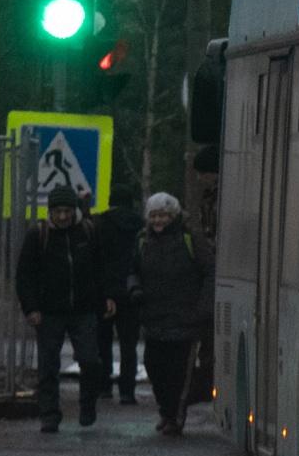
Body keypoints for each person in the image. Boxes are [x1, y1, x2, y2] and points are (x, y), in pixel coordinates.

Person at [13, 185, 115, 434]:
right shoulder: (38, 235)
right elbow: (25, 275)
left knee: (90, 360)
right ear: (50, 211)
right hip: (49, 311)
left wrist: (108, 297)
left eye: (67, 211)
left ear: (74, 210)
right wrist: (31, 308)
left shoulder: (88, 231)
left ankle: (87, 404)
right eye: (58, 211)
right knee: (48, 365)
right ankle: (49, 415)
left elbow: (101, 267)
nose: (62, 217)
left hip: (84, 308)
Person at [129, 192, 213, 436]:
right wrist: (134, 289)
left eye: (163, 216)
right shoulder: (142, 240)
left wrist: (203, 308)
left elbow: (209, 272)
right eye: (154, 216)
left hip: (186, 320)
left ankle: (175, 416)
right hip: (154, 317)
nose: (158, 221)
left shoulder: (190, 240)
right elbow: (131, 269)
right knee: (154, 367)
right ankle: (166, 410)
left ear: (174, 216)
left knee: (179, 373)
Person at [88, 189, 146, 406]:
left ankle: (104, 386)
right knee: (128, 345)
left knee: (103, 341)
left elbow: (97, 261)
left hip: (105, 292)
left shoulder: (100, 225)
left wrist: (104, 293)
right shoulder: (139, 226)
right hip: (132, 291)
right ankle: (127, 390)